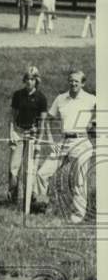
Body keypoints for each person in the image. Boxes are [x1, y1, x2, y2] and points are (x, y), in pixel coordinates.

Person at [46, 71, 96, 224]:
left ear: (82, 83)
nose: (73, 84)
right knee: (43, 172)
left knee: (78, 180)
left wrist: (93, 121)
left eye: (76, 81)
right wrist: (50, 140)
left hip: (81, 142)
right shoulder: (61, 99)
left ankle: (77, 215)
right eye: (71, 81)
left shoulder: (91, 99)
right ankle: (45, 205)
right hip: (62, 142)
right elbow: (48, 119)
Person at [7, 66, 48, 208]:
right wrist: (11, 132)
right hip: (18, 132)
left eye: (32, 79)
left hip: (33, 134)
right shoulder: (17, 95)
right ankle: (12, 197)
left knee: (30, 168)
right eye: (27, 79)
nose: (29, 82)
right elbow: (12, 116)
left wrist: (38, 141)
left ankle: (29, 199)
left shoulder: (41, 98)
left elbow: (42, 122)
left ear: (37, 80)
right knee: (14, 167)